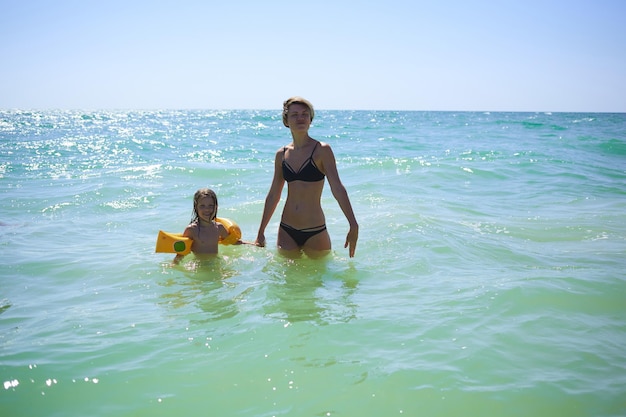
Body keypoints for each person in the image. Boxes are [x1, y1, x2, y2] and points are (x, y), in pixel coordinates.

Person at [254, 96, 358, 257]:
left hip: (315, 230)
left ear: (311, 119)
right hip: (286, 230)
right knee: (288, 281)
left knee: (316, 280)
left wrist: (353, 224)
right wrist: (261, 232)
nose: (300, 118)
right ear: (286, 121)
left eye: (305, 114)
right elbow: (274, 194)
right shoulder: (281, 154)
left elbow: (337, 188)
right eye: (294, 115)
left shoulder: (322, 150)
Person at [173, 188, 242, 264]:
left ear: (216, 207)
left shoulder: (219, 228)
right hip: (200, 267)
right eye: (202, 206)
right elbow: (180, 254)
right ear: (196, 207)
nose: (207, 209)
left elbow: (232, 242)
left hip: (216, 263)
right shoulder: (192, 230)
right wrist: (173, 265)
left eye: (210, 206)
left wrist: (253, 244)